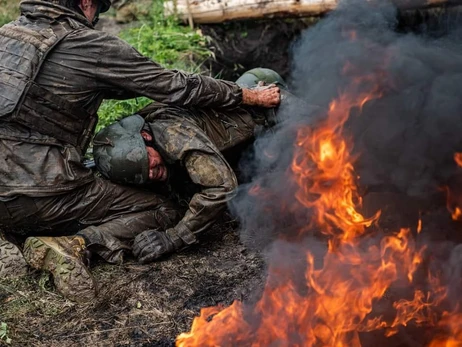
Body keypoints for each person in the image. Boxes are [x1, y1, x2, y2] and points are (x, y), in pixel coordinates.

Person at [0, 0, 280, 302]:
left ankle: (30, 233)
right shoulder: (87, 44)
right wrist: (246, 95)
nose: (96, 18)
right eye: (99, 8)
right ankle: (76, 244)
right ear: (84, 3)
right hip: (41, 190)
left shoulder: (6, 37)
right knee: (163, 207)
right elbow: (174, 85)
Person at [92, 68, 291, 264]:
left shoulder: (172, 134)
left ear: (146, 137)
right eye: (143, 174)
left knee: (319, 139)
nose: (152, 174)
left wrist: (173, 238)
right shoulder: (135, 146)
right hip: (243, 141)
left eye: (149, 164)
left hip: (272, 105)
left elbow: (220, 188)